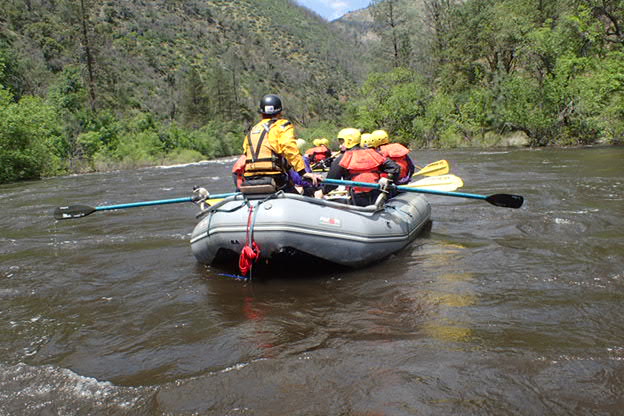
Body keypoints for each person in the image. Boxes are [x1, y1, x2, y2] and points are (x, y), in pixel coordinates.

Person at [242, 94, 321, 192]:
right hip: (274, 177)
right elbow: (289, 147)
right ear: (279, 112)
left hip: (249, 178)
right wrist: (303, 172)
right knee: (298, 196)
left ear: (261, 113)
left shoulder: (252, 130)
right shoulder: (282, 126)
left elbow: (246, 153)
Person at [316, 127, 400, 206]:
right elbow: (395, 168)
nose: (340, 146)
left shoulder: (342, 159)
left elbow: (332, 183)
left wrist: (322, 191)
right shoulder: (374, 154)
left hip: (357, 200)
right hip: (377, 195)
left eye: (342, 142)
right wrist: (388, 180)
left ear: (349, 141)